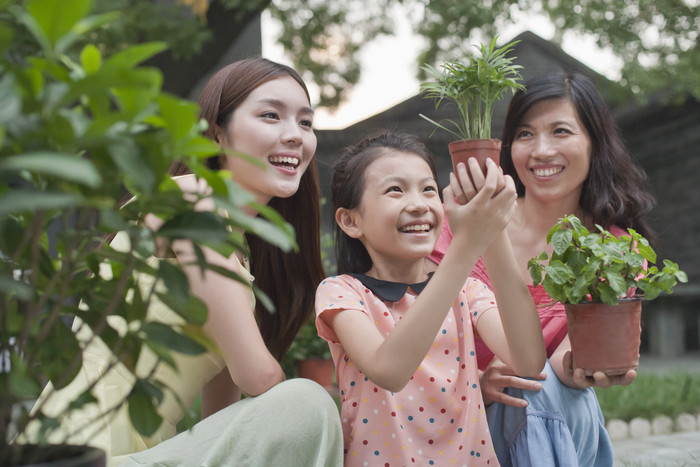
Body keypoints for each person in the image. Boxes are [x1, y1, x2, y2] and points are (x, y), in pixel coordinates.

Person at [30, 58, 344, 467]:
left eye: (305, 122)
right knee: (306, 402)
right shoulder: (188, 200)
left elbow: (222, 421)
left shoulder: (236, 256)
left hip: (142, 455)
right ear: (216, 134)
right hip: (77, 453)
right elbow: (258, 377)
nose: (295, 136)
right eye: (271, 115)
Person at [429, 71, 656, 466]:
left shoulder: (617, 251)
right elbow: (421, 338)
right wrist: (474, 385)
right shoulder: (461, 226)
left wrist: (581, 366)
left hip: (555, 413)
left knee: (538, 385)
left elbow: (558, 367)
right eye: (525, 134)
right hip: (459, 423)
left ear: (594, 143)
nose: (541, 150)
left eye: (561, 131)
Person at [315, 130, 546, 466]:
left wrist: (492, 233)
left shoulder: (466, 291)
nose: (419, 204)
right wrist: (467, 245)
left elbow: (527, 360)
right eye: (395, 190)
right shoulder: (342, 293)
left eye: (428, 189)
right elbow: (390, 371)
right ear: (350, 220)